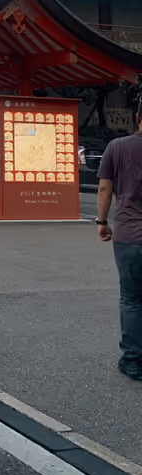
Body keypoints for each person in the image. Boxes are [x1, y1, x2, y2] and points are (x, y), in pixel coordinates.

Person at [97, 100, 142, 381]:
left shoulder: (118, 147)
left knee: (132, 298)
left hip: (130, 235)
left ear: (138, 118)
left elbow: (104, 187)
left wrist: (102, 222)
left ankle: (133, 361)